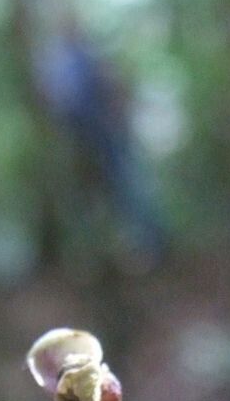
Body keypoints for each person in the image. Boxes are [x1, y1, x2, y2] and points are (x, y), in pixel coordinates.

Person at [36, 23, 166, 263]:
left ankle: (150, 245)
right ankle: (109, 252)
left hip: (101, 133)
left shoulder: (78, 59)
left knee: (124, 185)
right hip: (85, 136)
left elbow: (109, 89)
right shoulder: (64, 59)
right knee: (107, 189)